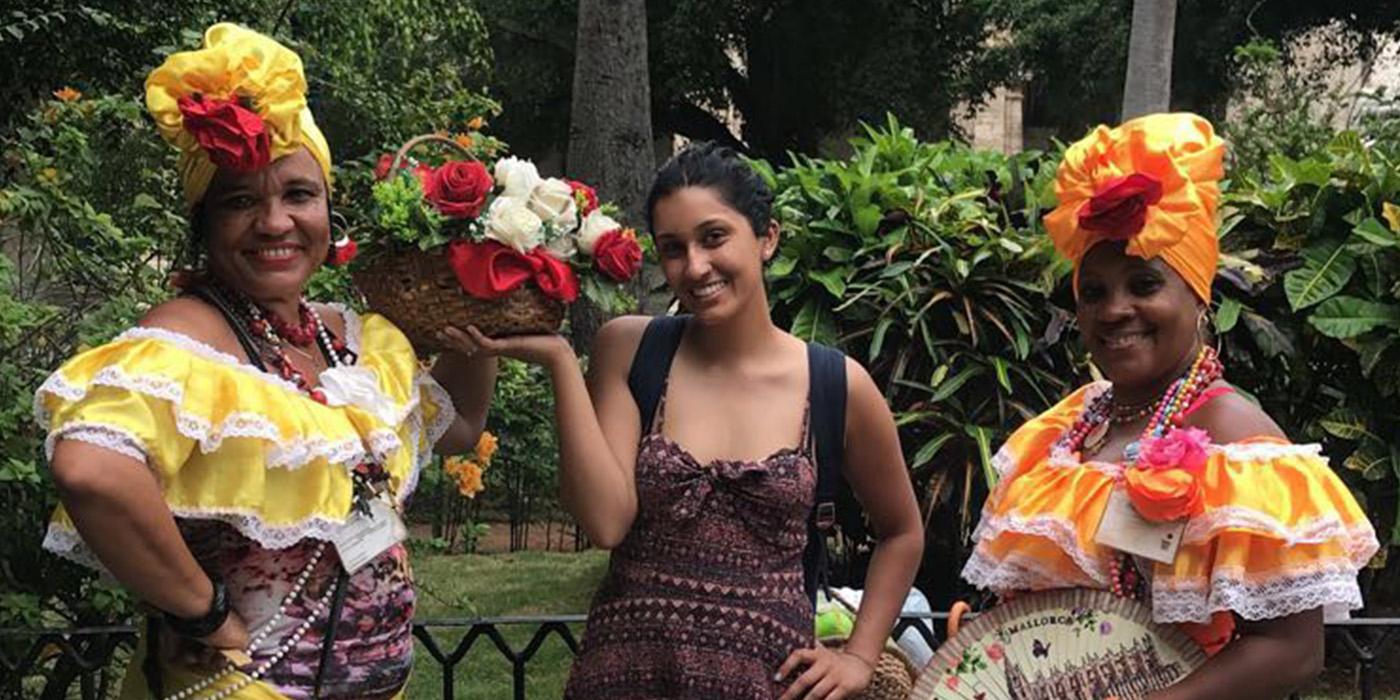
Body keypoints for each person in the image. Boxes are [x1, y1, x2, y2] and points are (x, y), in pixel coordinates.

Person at [38, 24, 497, 699]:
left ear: (328, 210)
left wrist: (478, 330)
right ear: (204, 223)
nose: (276, 221)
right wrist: (206, 612)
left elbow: (455, 430)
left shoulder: (346, 336)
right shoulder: (186, 338)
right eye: (240, 201)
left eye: (298, 195)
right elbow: (90, 470)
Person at [449, 142, 924, 699]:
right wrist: (559, 362)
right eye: (673, 249)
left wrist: (861, 655)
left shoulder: (835, 387)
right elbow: (605, 522)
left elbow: (902, 532)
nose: (695, 267)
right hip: (623, 679)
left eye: (714, 237)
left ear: (767, 237)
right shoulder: (633, 350)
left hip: (767, 686)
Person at [960, 113, 1379, 699]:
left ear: (1197, 294)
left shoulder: (1236, 437)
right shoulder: (1068, 427)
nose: (1114, 311)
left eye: (1144, 284)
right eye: (1094, 293)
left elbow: (1293, 652)